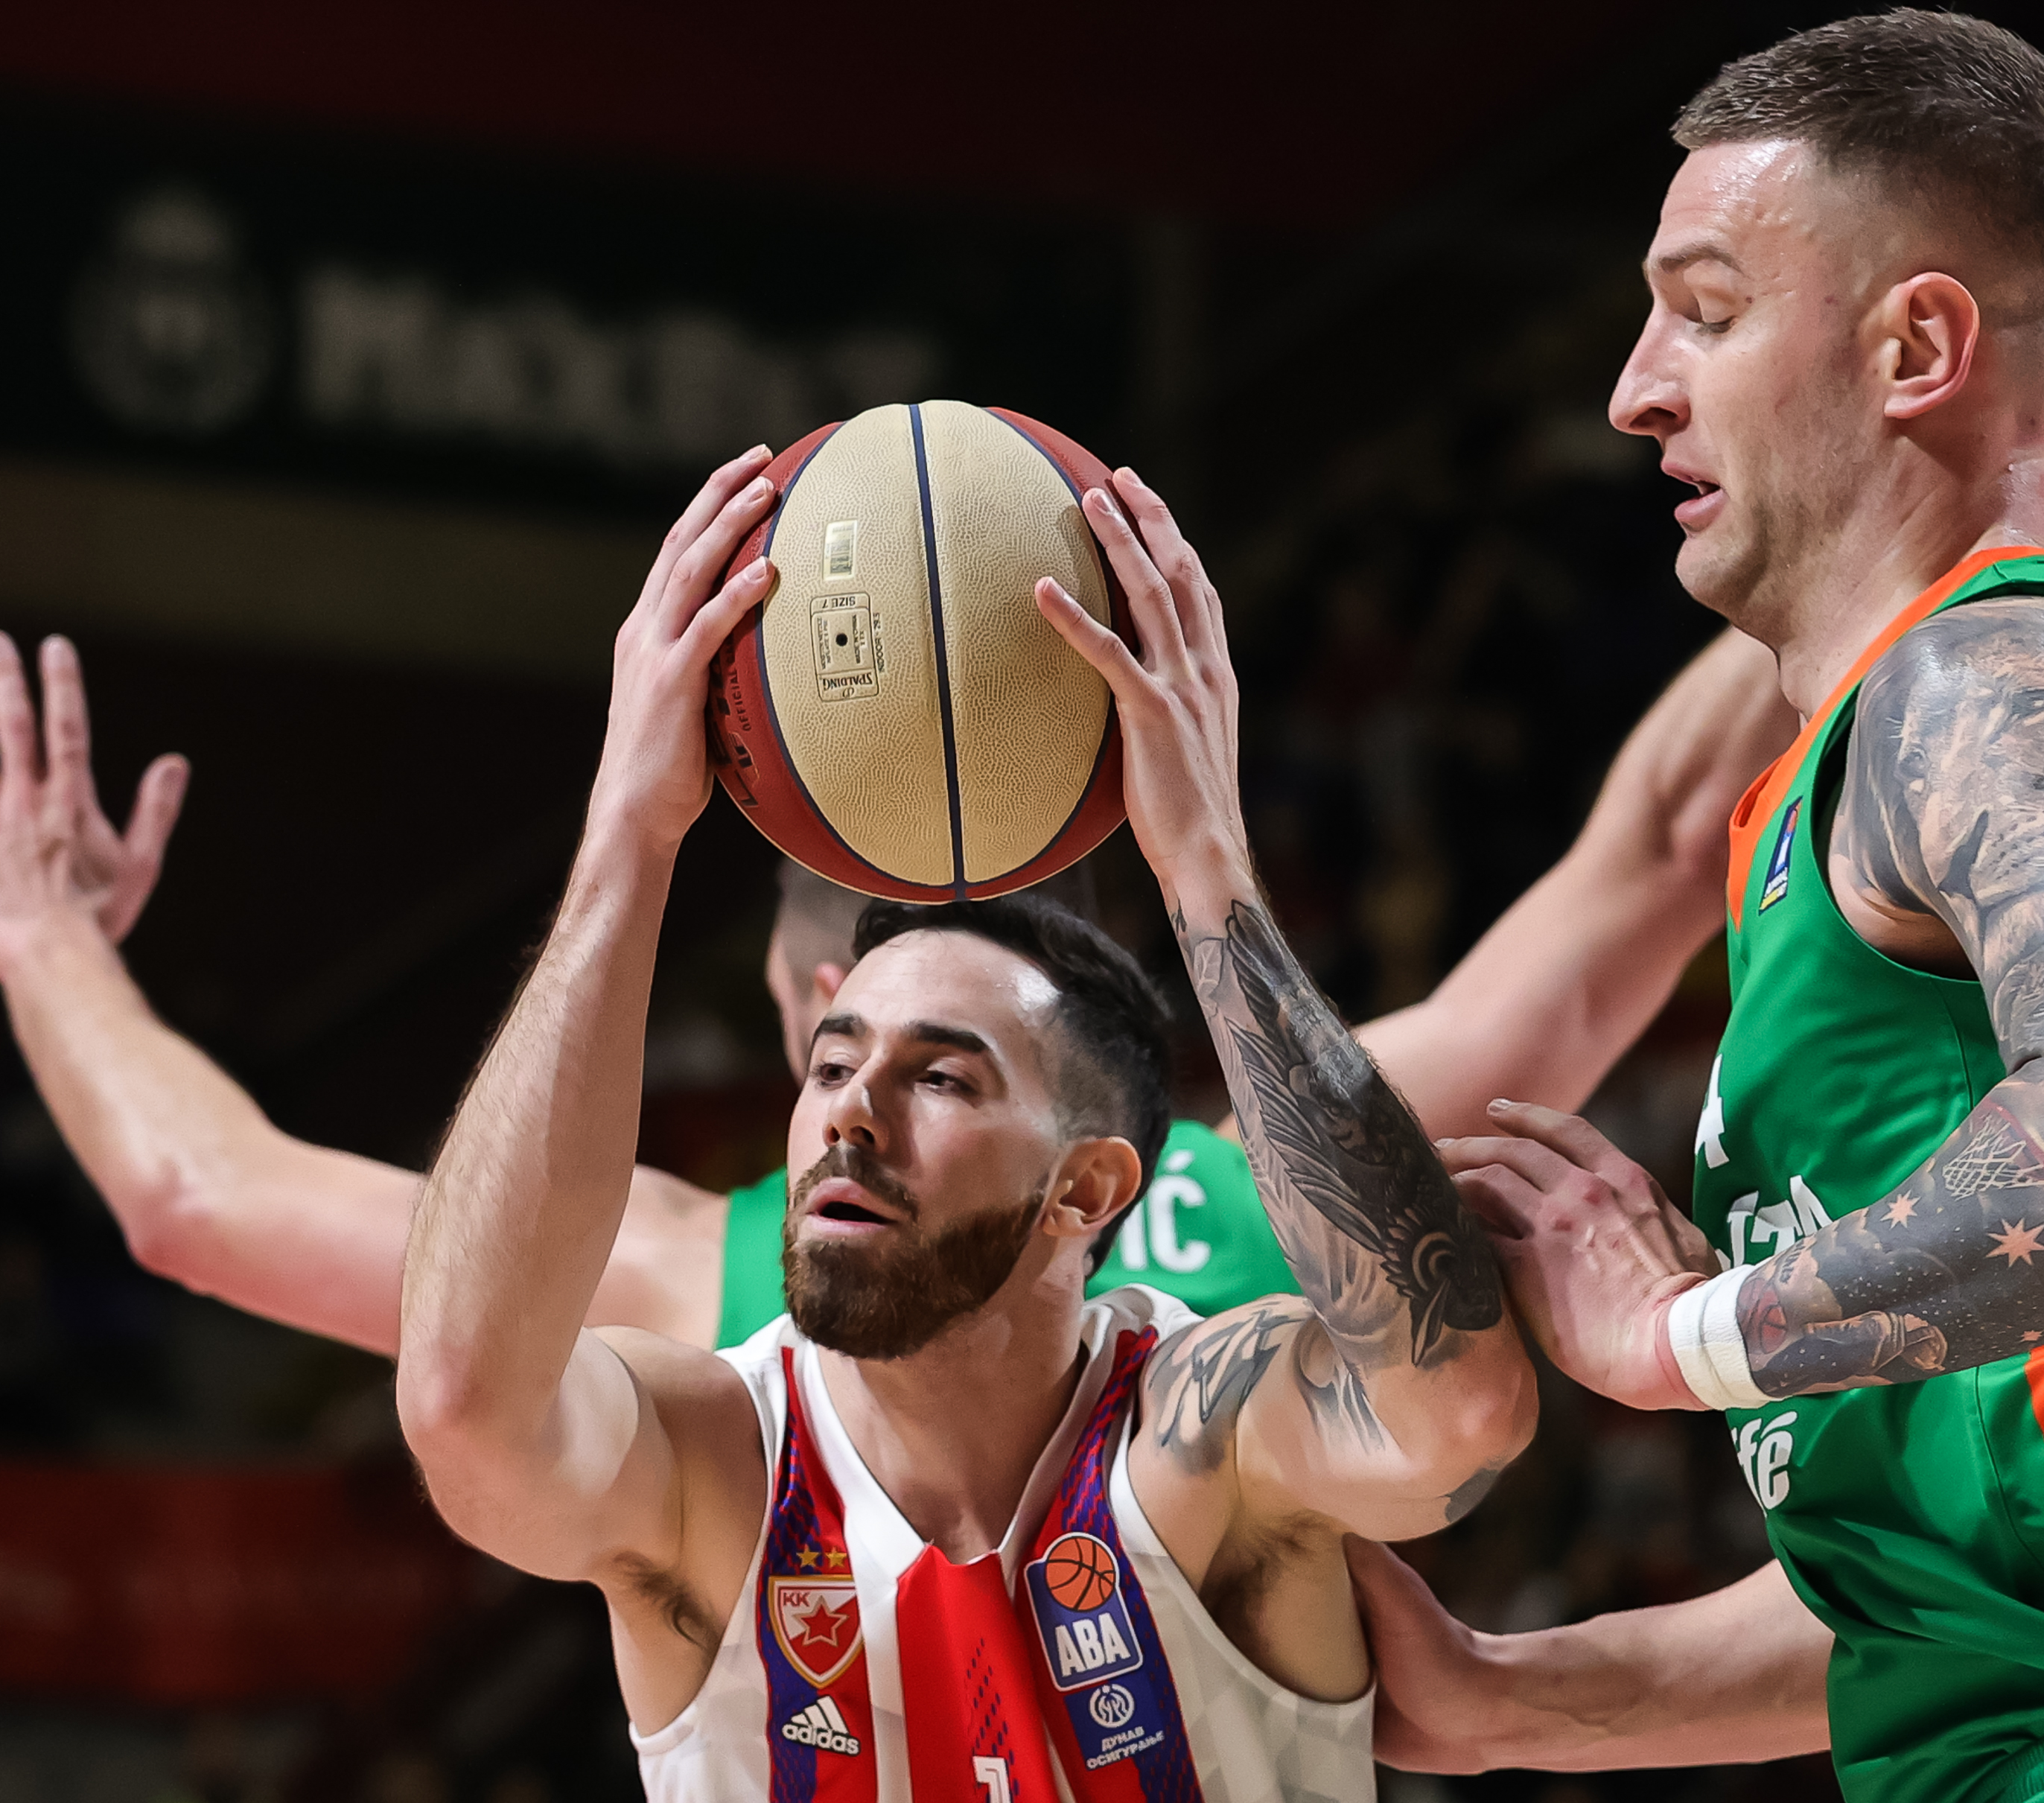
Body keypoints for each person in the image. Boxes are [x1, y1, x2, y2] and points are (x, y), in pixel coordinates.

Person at [1353, 13, 2044, 1803]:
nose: (1633, 388)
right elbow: (1977, 1589)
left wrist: (1692, 1333)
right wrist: (1493, 1699)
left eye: (1700, 310)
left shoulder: (2000, 674)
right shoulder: (1859, 775)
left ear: (1914, 346)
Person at [393, 450, 1536, 1797]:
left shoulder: (1204, 1438)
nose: (851, 1114)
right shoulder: (719, 1466)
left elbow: (1459, 1409)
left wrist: (1207, 865)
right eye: (831, 1064)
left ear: (1086, 1188)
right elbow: (463, 1404)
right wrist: (628, 837)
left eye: (942, 1076)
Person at [0, 608, 1789, 1358]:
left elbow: (197, 1199)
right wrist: (1872, 547)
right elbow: (1643, 858)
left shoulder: (670, 1276)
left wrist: (45, 940)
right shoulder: (1275, 1189)